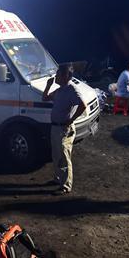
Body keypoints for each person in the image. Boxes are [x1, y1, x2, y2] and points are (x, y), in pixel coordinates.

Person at [42, 64, 87, 195]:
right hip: (55, 126)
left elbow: (82, 105)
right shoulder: (60, 90)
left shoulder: (72, 89)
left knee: (64, 156)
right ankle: (58, 179)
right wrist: (49, 85)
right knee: (56, 154)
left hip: (64, 128)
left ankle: (66, 185)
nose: (56, 76)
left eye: (58, 74)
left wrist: (71, 120)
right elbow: (44, 98)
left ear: (66, 75)